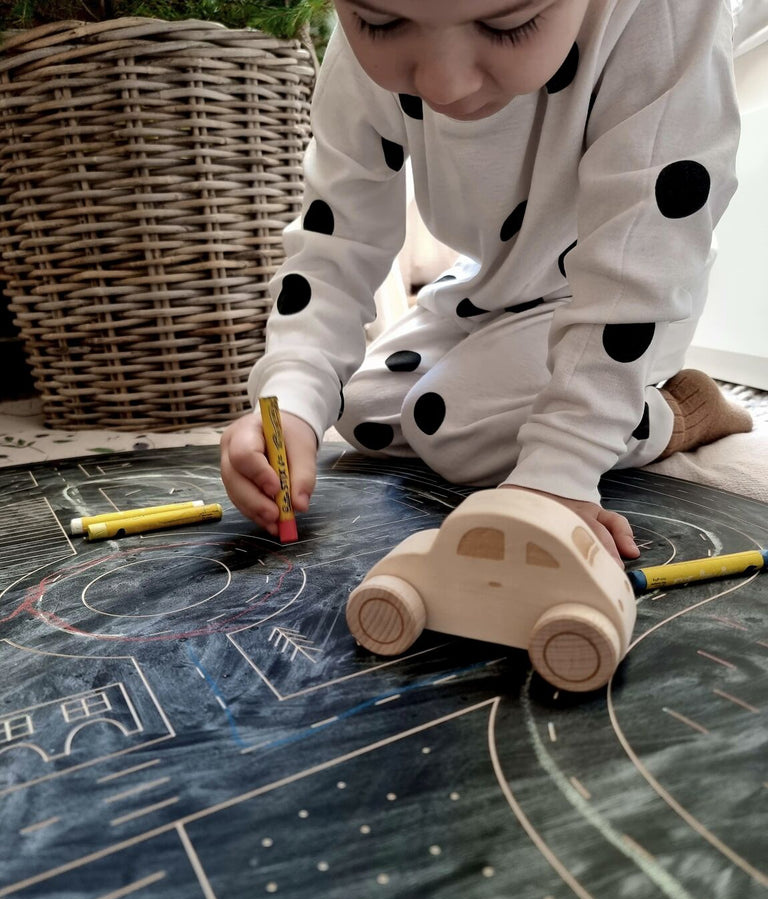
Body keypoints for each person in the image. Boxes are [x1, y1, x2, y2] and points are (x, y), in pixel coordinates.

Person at [221, 0, 752, 563]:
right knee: (360, 408)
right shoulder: (357, 57)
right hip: (491, 284)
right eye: (379, 23)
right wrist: (288, 405)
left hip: (630, 297)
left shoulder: (665, 14)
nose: (444, 84)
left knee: (455, 426)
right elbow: (334, 240)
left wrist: (560, 471)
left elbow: (645, 253)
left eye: (509, 25)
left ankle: (681, 410)